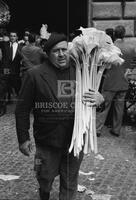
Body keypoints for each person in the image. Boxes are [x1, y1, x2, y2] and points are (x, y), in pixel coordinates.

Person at [15, 32, 104, 200]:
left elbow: (93, 102)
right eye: (56, 51)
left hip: (75, 140)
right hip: (47, 140)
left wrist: (100, 100)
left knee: (70, 182)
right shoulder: (34, 75)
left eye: (64, 49)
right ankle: (44, 191)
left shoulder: (81, 71)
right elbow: (22, 109)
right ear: (48, 54)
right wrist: (23, 138)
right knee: (44, 176)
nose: (62, 54)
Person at [96, 25, 136, 137]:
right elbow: (133, 63)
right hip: (123, 81)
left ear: (114, 33)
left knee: (104, 106)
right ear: (124, 34)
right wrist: (129, 70)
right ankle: (116, 130)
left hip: (110, 81)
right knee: (119, 107)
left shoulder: (110, 47)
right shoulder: (131, 47)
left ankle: (97, 129)